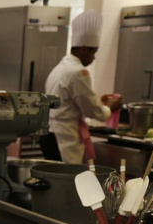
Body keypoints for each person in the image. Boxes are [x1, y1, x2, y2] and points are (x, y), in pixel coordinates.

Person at [43, 10, 123, 164]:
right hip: (65, 139)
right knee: (69, 183)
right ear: (84, 48)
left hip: (50, 134)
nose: (93, 58)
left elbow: (70, 101)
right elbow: (93, 111)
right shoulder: (79, 72)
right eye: (93, 52)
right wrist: (109, 108)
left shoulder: (61, 67)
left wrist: (99, 101)